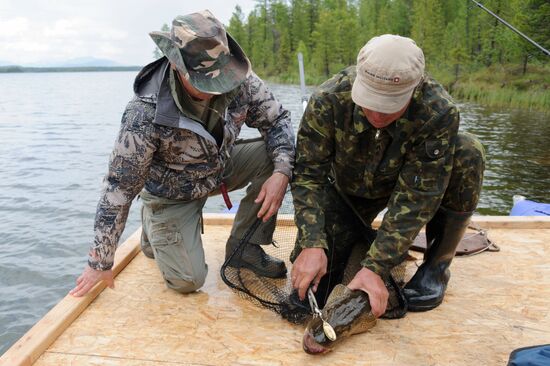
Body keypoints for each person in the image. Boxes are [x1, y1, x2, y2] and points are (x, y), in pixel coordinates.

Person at [70, 10, 295, 297]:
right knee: (189, 281)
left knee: (278, 158)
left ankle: (244, 248)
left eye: (220, 80)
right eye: (205, 83)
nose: (216, 90)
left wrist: (281, 172)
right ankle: (154, 224)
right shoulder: (143, 113)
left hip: (218, 166)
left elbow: (277, 120)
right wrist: (100, 262)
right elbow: (118, 189)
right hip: (171, 193)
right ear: (177, 67)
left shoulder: (239, 79)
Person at [290, 34, 485, 317]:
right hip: (344, 194)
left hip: (402, 188)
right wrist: (311, 243)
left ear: (414, 88)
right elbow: (308, 175)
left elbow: (417, 198)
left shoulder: (438, 111)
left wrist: (376, 268)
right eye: (370, 101)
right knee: (310, 293)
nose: (378, 114)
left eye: (390, 103)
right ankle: (351, 240)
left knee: (469, 151)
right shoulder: (328, 100)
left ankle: (436, 268)